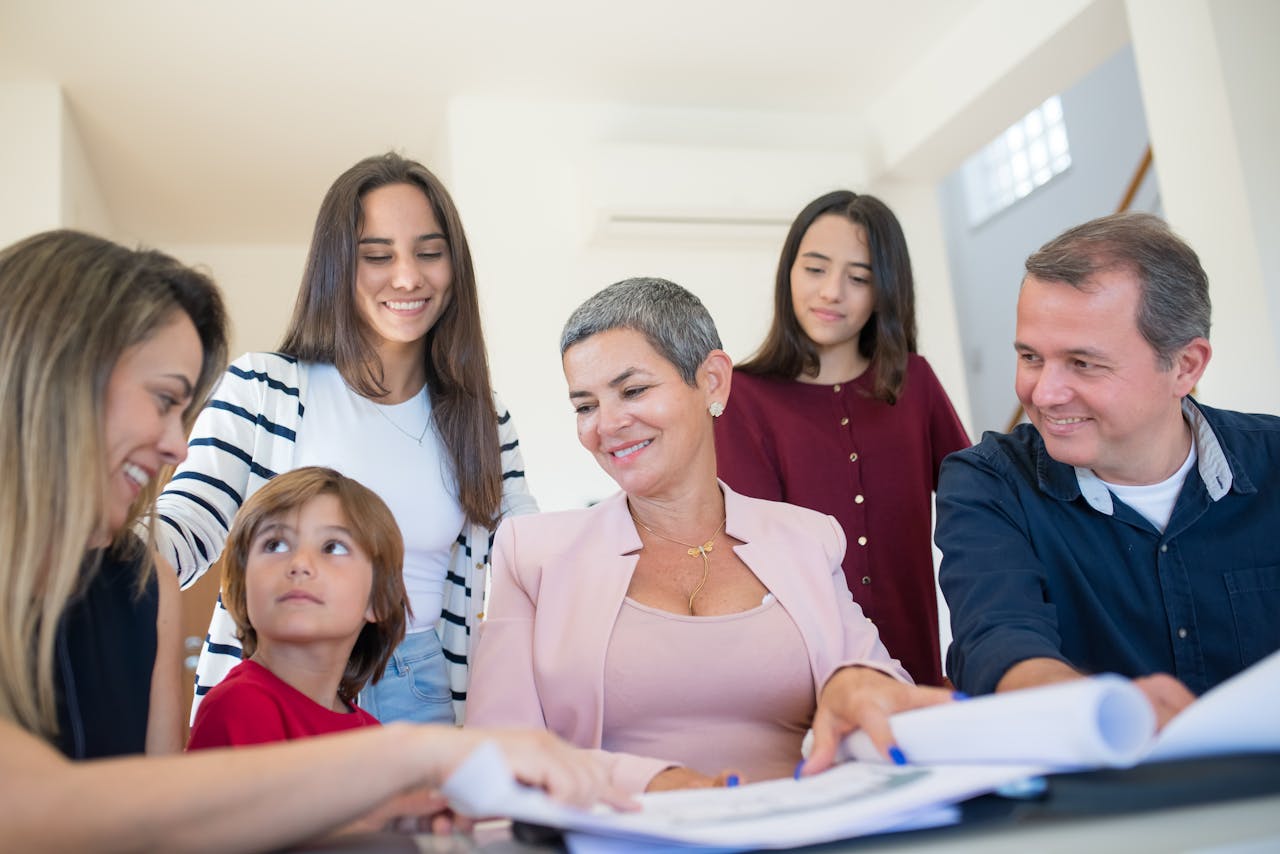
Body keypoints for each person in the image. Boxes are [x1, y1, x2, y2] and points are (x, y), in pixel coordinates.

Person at [0, 229, 615, 850]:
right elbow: (32, 809)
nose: (176, 447)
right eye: (163, 400)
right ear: (53, 375)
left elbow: (167, 827)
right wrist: (410, 754)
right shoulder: (259, 408)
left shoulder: (141, 585)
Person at [467, 277, 952, 795]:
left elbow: (884, 699)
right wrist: (656, 784)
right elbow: (496, 754)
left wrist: (860, 682)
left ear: (714, 382)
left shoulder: (808, 539)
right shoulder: (531, 554)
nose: (605, 425)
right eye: (585, 406)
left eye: (632, 391)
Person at [153, 152, 537, 725]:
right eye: (377, 256)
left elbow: (531, 551)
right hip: (279, 683)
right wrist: (91, 545)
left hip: (421, 684)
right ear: (335, 267)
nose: (408, 277)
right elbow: (185, 527)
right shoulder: (265, 389)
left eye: (430, 253)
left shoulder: (481, 416)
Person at [937, 212, 1280, 727]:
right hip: (1100, 800)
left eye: (1083, 363)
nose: (1044, 394)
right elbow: (997, 642)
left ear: (1185, 366)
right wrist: (1108, 712)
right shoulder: (988, 485)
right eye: (1030, 356)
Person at [715, 191, 969, 687]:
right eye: (815, 269)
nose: (832, 291)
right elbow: (755, 557)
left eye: (858, 278)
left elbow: (978, 508)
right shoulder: (742, 397)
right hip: (804, 680)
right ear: (789, 272)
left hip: (918, 672)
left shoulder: (914, 384)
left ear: (884, 293)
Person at [188, 467, 409, 749]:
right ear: (243, 586)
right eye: (276, 545)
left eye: (333, 548)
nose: (300, 563)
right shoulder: (239, 707)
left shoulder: (373, 738)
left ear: (377, 600)